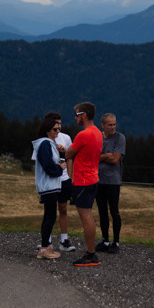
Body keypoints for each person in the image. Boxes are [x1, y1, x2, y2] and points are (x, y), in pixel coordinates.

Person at [32, 112, 76, 252]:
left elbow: (68, 158)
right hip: (50, 183)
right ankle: (46, 244)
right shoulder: (44, 142)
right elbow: (45, 164)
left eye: (59, 125)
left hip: (61, 180)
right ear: (48, 127)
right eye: (55, 127)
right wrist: (58, 168)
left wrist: (69, 175)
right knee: (49, 214)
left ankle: (62, 241)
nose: (58, 129)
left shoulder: (64, 138)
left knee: (60, 210)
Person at [65, 102, 103, 267]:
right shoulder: (98, 133)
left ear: (84, 115)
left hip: (82, 180)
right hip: (93, 178)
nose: (75, 118)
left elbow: (68, 153)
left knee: (86, 217)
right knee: (89, 216)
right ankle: (91, 252)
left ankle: (91, 254)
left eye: (77, 115)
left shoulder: (83, 134)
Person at [95, 113, 126, 254]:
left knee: (114, 211)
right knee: (102, 211)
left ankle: (116, 242)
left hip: (113, 181)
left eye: (114, 124)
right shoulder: (98, 138)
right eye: (110, 125)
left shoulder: (120, 138)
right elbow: (91, 157)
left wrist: (100, 157)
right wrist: (105, 155)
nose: (113, 127)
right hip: (98, 180)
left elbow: (115, 159)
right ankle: (105, 240)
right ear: (103, 125)